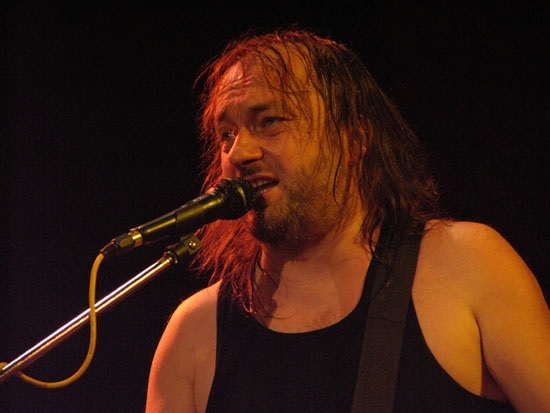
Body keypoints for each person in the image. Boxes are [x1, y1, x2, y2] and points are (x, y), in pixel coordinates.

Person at [145, 29, 550, 412]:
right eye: (226, 135)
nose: (238, 153)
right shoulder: (194, 334)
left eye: (269, 122)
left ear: (354, 141)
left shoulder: (467, 266)